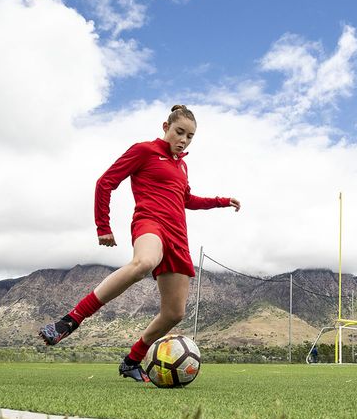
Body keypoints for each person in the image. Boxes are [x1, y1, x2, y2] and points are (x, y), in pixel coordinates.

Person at [39, 104, 240, 382]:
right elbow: (105, 182)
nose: (183, 140)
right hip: (150, 223)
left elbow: (186, 200)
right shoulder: (144, 151)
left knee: (174, 313)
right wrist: (103, 226)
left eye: (190, 136)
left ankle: (132, 360)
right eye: (179, 132)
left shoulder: (182, 165)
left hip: (178, 237)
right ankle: (69, 321)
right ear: (165, 127)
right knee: (143, 262)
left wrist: (221, 201)